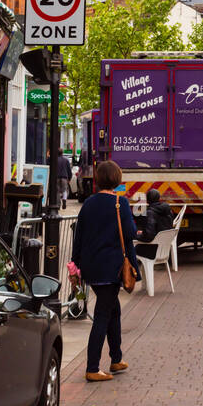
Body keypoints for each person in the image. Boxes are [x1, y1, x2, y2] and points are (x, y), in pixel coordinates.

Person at [72, 159, 140, 382]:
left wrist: (76, 263)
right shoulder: (121, 204)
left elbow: (78, 236)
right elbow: (130, 233)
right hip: (111, 268)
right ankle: (92, 367)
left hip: (91, 267)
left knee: (114, 310)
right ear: (117, 180)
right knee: (103, 315)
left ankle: (116, 357)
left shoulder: (88, 204)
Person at [134, 188, 176, 260]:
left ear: (147, 200)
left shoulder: (150, 213)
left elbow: (149, 236)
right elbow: (160, 228)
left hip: (152, 250)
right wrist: (144, 233)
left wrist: (137, 235)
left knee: (129, 250)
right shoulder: (168, 210)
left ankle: (130, 271)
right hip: (163, 250)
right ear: (159, 198)